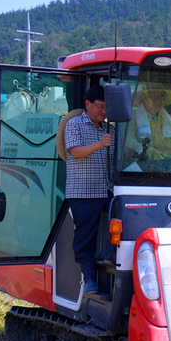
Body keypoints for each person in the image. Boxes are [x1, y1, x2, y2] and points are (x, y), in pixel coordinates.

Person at [64, 86, 114, 294]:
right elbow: (75, 153)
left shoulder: (110, 128)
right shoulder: (74, 125)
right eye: (100, 107)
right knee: (85, 237)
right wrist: (99, 145)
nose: (103, 112)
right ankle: (89, 279)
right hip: (83, 192)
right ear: (88, 104)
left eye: (106, 108)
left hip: (108, 190)